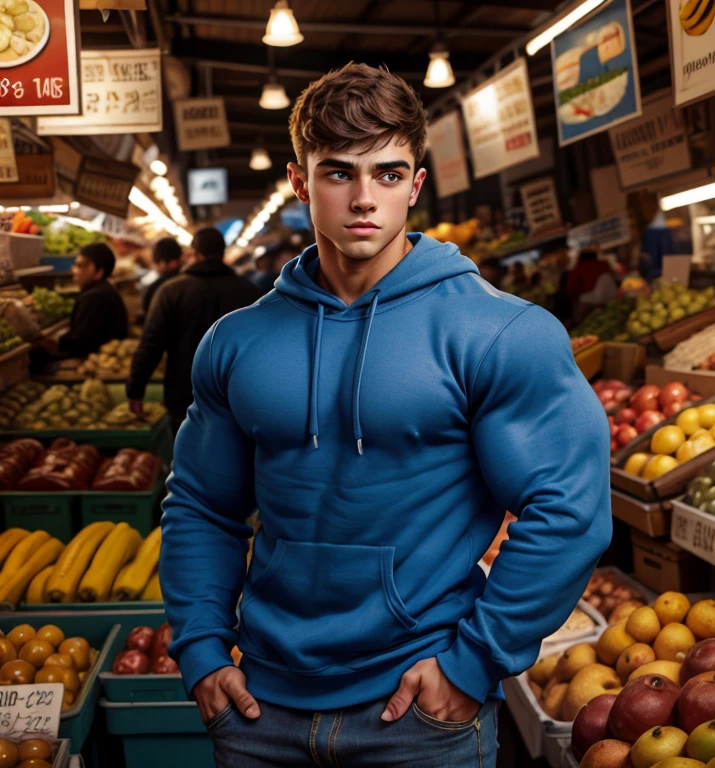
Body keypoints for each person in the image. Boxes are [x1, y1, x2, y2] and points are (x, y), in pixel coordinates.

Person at [160, 63, 611, 768]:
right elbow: (201, 506)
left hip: (418, 713)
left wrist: (472, 664)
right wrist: (199, 647)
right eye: (338, 173)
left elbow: (570, 509)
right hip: (259, 709)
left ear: (416, 185)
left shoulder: (498, 332)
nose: (364, 199)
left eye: (389, 174)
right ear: (297, 181)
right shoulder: (237, 342)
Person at [126, 227, 261, 434]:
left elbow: (151, 343)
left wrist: (136, 389)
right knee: (237, 461)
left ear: (194, 254)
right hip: (238, 397)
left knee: (186, 460)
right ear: (222, 252)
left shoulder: (171, 291)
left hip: (185, 395)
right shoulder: (251, 293)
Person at [48, 242, 128, 358]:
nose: (74, 271)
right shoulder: (104, 290)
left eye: (80, 266)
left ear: (99, 273)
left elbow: (79, 342)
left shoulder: (94, 298)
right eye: (75, 265)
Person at [140, 237, 183, 320]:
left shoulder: (156, 288)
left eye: (157, 263)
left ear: (170, 263)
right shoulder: (194, 284)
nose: (156, 268)